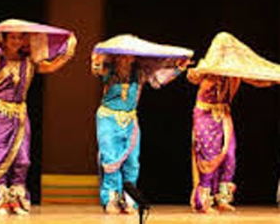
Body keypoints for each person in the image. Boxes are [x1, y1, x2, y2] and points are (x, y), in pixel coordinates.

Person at [0, 22, 77, 215]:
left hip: (20, 113)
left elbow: (51, 67)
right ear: (5, 40)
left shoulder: (30, 61)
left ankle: (16, 198)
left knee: (22, 158)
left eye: (20, 37)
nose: (16, 41)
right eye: (12, 38)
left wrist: (69, 50)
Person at [92, 51, 192, 214]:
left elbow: (159, 79)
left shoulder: (140, 72)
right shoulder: (108, 70)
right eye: (122, 56)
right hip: (108, 118)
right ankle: (111, 199)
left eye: (129, 56)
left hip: (131, 120)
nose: (125, 59)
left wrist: (178, 68)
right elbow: (97, 70)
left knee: (132, 162)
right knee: (110, 159)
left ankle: (130, 199)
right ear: (116, 57)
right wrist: (96, 60)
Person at [188, 32, 275, 214]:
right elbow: (195, 78)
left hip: (224, 115)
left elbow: (256, 79)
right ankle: (202, 201)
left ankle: (222, 198)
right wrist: (212, 74)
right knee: (210, 156)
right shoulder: (209, 71)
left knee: (229, 155)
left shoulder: (234, 72)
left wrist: (273, 78)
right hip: (205, 114)